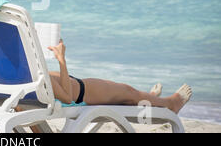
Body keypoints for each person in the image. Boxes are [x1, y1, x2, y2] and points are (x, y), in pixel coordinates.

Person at [47, 39, 192, 114]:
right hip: (81, 95)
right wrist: (61, 59)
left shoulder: (24, 77)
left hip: (76, 91)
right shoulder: (34, 76)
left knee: (126, 96)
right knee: (129, 92)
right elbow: (66, 96)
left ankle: (150, 97)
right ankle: (171, 104)